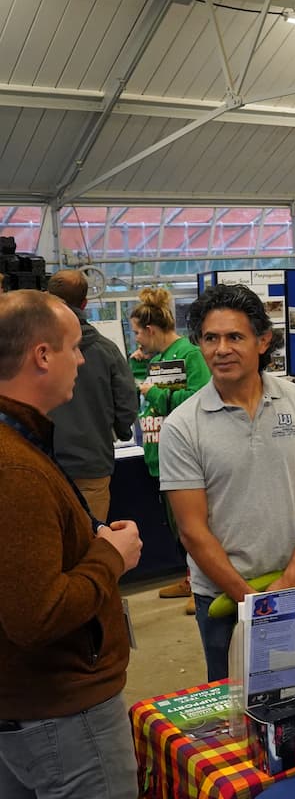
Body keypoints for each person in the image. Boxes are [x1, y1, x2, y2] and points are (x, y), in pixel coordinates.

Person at [0, 290, 143, 799]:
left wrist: (86, 540)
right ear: (42, 355)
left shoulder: (20, 443)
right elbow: (36, 615)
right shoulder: (14, 466)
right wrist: (110, 557)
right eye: (74, 347)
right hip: (63, 715)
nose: (83, 359)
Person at [159, 284, 295, 681]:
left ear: (262, 341)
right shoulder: (183, 427)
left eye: (235, 336)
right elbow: (192, 530)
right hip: (222, 596)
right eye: (210, 338)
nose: (221, 349)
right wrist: (248, 598)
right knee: (235, 702)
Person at [129, 286, 211, 608]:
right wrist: (139, 364)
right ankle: (192, 578)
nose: (135, 339)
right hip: (159, 455)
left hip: (183, 458)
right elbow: (140, 385)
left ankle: (204, 583)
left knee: (193, 525)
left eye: (137, 333)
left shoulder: (189, 354)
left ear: (150, 329)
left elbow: (198, 399)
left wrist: (156, 395)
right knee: (177, 528)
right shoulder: (158, 357)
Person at [46, 269, 139, 523]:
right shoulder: (107, 350)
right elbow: (127, 402)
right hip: (92, 461)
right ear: (85, 303)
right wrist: (122, 432)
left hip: (43, 464)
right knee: (91, 541)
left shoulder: (31, 349)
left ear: (49, 299)